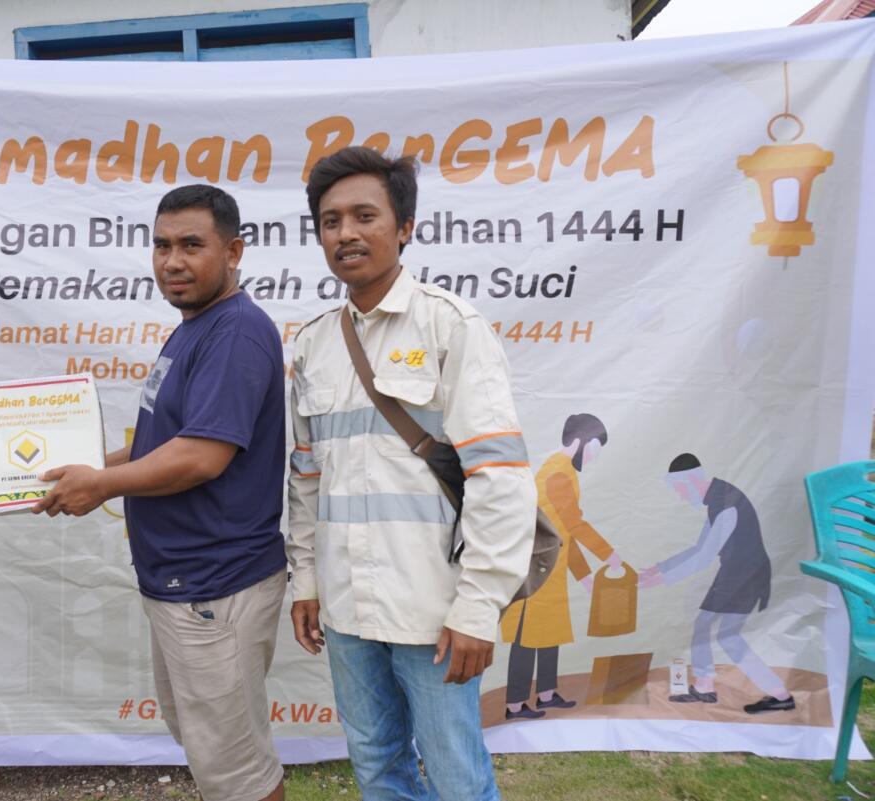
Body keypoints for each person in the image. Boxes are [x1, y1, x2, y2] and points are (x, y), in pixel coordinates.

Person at [286, 146, 536, 801]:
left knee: (456, 774)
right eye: (331, 221)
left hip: (433, 607)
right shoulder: (313, 344)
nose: (346, 233)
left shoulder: (450, 326)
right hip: (346, 605)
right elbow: (306, 479)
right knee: (376, 764)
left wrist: (478, 608)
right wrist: (307, 580)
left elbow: (500, 476)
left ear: (404, 227)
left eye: (364, 215)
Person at [32, 185, 287, 801]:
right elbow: (169, 442)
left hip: (215, 585)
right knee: (212, 749)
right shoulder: (197, 327)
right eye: (162, 245)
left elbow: (200, 457)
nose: (172, 261)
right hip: (185, 581)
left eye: (191, 245)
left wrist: (99, 484)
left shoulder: (234, 333)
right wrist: (88, 467)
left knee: (237, 769)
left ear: (234, 252)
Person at [639, 453, 794, 713]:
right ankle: (704, 687)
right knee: (704, 625)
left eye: (679, 489)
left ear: (691, 480)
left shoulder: (726, 504)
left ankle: (780, 695)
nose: (680, 496)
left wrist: (661, 580)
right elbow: (700, 547)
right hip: (735, 573)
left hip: (745, 576)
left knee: (728, 637)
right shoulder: (718, 500)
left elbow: (704, 557)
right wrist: (659, 568)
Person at [500, 413, 623, 720]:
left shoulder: (564, 471)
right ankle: (515, 704)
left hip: (551, 569)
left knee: (549, 634)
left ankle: (546, 694)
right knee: (526, 639)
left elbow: (563, 533)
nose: (594, 456)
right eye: (594, 448)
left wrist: (583, 575)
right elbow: (575, 525)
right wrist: (608, 555)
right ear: (580, 441)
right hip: (535, 569)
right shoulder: (557, 473)